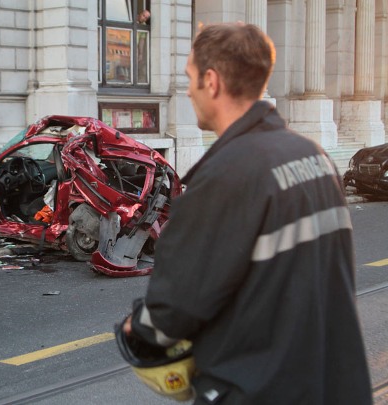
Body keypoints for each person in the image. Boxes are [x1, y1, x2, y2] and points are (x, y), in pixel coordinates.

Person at [120, 23, 373, 404]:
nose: (188, 90)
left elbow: (172, 310)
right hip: (335, 385)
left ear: (212, 80)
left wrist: (135, 328)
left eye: (190, 78)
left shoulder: (224, 176)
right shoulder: (313, 157)